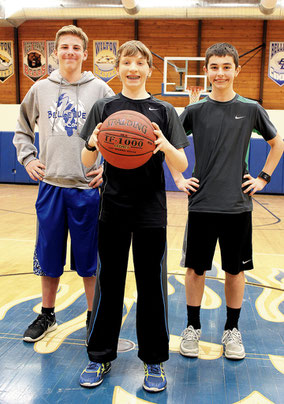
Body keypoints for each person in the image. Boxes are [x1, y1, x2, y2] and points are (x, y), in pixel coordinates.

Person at [78, 40, 189, 392]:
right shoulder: (104, 106)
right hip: (112, 208)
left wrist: (165, 145)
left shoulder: (163, 110)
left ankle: (153, 360)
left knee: (151, 288)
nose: (133, 68)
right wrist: (93, 144)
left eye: (140, 63)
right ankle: (99, 357)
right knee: (108, 285)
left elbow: (182, 164)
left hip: (151, 212)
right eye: (127, 62)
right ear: (119, 67)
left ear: (150, 69)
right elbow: (85, 163)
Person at [170, 43, 283, 361]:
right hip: (202, 204)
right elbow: (169, 144)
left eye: (225, 66)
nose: (220, 72)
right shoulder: (195, 111)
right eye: (214, 67)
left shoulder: (251, 109)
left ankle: (232, 330)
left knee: (235, 271)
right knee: (195, 270)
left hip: (237, 205)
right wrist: (178, 179)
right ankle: (192, 327)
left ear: (236, 70)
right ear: (205, 70)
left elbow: (278, 145)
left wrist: (264, 178)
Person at [13, 25, 114, 343]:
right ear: (54, 53)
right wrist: (28, 159)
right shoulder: (40, 89)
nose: (70, 52)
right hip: (51, 186)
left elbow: (119, 136)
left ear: (86, 54)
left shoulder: (101, 91)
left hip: (87, 189)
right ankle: (47, 314)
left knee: (89, 261)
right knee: (49, 256)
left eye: (76, 47)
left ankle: (92, 316)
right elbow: (22, 129)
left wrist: (107, 168)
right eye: (64, 47)